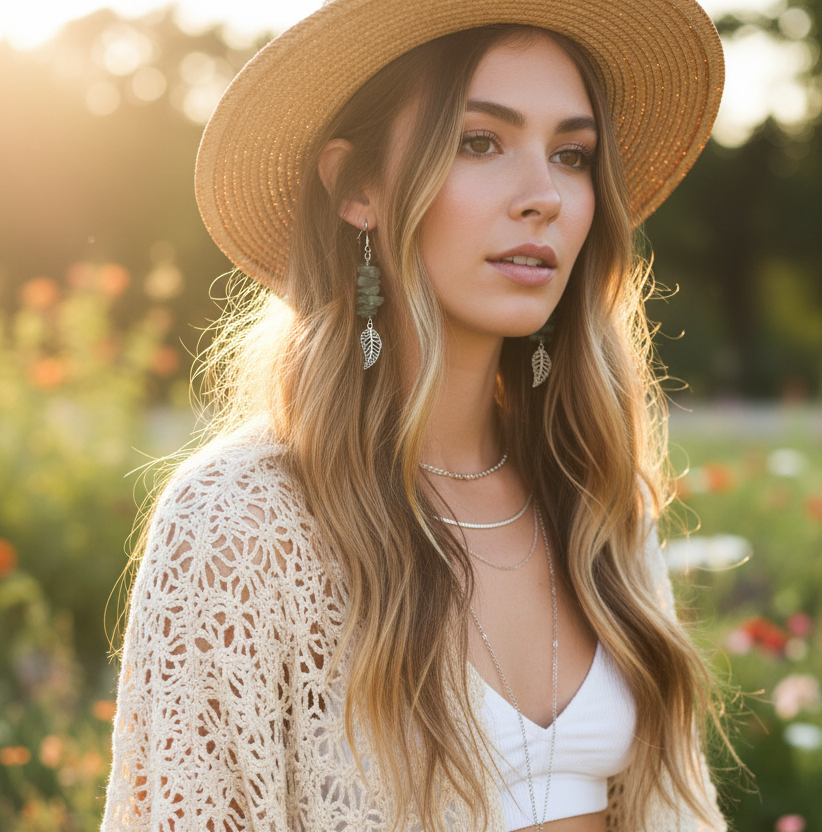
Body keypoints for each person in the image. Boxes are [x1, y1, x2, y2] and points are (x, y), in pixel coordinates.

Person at [101, 1, 732, 830]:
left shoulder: (599, 504)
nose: (544, 195)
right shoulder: (241, 525)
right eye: (481, 141)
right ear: (357, 186)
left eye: (572, 156)